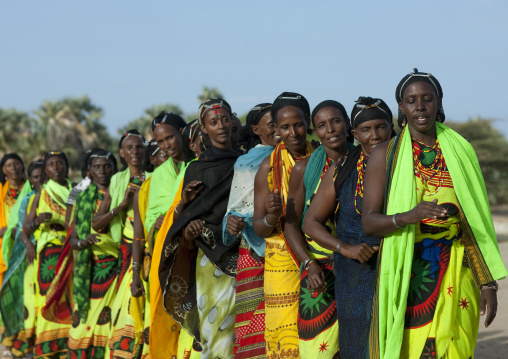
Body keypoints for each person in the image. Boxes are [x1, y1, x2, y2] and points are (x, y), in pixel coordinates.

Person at [362, 69, 507, 358]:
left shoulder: (461, 149)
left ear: (439, 102)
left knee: (456, 349)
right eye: (411, 100)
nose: (420, 106)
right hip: (410, 271)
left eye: (427, 99)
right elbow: (369, 222)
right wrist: (407, 216)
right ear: (401, 107)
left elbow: (474, 220)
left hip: (459, 266)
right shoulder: (385, 155)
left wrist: (486, 280)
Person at [303, 97, 394, 358]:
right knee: (358, 344)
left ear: (392, 128)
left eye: (381, 127)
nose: (375, 136)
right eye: (365, 129)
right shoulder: (342, 167)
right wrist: (346, 249)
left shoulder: (406, 164)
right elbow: (311, 222)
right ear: (355, 133)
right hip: (354, 272)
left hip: (396, 264)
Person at [159, 98, 240, 358]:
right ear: (203, 128)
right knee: (215, 330)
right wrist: (185, 208)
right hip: (210, 260)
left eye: (225, 119)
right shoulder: (196, 169)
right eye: (214, 122)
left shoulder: (246, 162)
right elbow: (184, 219)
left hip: (246, 253)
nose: (221, 126)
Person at [284, 100, 353, 358]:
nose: (330, 129)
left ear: (347, 124)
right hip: (318, 269)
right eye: (321, 125)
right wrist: (308, 263)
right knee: (319, 349)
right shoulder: (304, 169)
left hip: (359, 264)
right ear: (315, 131)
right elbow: (291, 223)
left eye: (335, 121)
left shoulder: (366, 163)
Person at [252, 92, 315, 358]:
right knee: (286, 336)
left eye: (298, 124)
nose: (293, 133)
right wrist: (270, 216)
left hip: (319, 249)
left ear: (308, 122)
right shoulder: (267, 167)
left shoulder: (324, 156)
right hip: (282, 262)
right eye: (285, 127)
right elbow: (259, 227)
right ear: (276, 129)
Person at [223, 103, 281, 358]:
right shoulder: (246, 163)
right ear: (257, 130)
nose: (279, 130)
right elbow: (235, 207)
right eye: (272, 124)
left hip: (286, 241)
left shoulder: (297, 155)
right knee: (252, 319)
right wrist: (232, 220)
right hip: (254, 248)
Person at [92, 130, 150, 358]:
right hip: (128, 250)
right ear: (122, 153)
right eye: (130, 148)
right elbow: (97, 223)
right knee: (127, 303)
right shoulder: (117, 181)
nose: (135, 152)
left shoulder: (156, 175)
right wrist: (122, 205)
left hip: (151, 247)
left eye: (139, 147)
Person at [149, 119, 204, 359]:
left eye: (169, 138)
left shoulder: (197, 165)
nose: (166, 145)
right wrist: (159, 222)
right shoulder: (159, 175)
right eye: (160, 142)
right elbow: (151, 216)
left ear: (182, 134)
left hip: (197, 243)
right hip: (167, 247)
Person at [67, 149, 118, 358]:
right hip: (90, 268)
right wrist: (82, 241)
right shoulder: (81, 198)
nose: (102, 171)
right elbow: (72, 241)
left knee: (111, 320)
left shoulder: (123, 193)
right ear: (89, 171)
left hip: (118, 266)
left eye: (107, 166)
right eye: (97, 167)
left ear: (115, 169)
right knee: (84, 322)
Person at [22, 151, 72, 358]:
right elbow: (25, 229)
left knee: (68, 296)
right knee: (48, 295)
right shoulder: (40, 195)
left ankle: (68, 341)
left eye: (59, 164)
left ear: (66, 167)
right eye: (51, 165)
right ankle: (46, 345)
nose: (56, 168)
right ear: (46, 171)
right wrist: (35, 226)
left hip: (70, 248)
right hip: (49, 252)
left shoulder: (76, 190)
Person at [130, 137, 170, 359]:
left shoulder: (182, 176)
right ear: (153, 159)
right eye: (162, 154)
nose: (168, 157)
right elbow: (139, 235)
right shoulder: (144, 189)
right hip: (154, 256)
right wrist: (136, 271)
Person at [0, 160, 43, 358]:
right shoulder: (27, 199)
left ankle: (34, 343)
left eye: (18, 164)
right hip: (21, 252)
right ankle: (12, 339)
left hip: (50, 254)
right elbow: (21, 227)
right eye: (36, 178)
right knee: (17, 294)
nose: (40, 181)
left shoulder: (61, 194)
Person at [0, 153, 26, 287]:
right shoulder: (1, 192)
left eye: (16, 164)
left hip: (26, 241)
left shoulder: (31, 189)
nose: (13, 168)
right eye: (9, 165)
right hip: (4, 243)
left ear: (22, 166)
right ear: (4, 170)